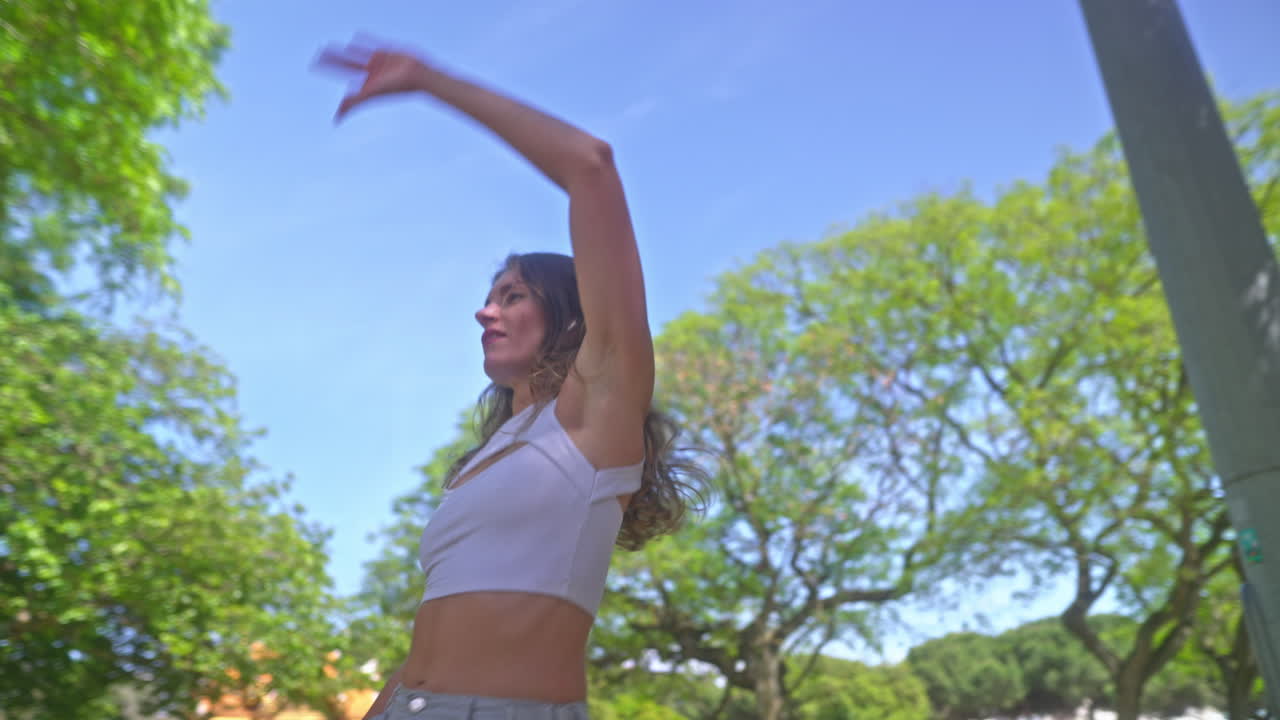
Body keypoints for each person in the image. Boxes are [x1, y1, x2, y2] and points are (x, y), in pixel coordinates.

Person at [315, 37, 707, 720]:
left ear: (572, 319)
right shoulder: (487, 458)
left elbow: (591, 166)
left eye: (513, 294)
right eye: (491, 294)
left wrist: (430, 81)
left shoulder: (595, 413)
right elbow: (430, 637)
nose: (485, 309)